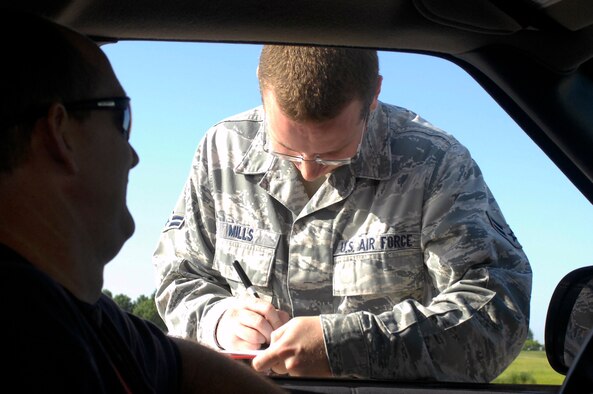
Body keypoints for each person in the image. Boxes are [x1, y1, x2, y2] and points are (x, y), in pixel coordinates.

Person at [153, 45, 532, 382]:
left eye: (333, 153)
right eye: (286, 149)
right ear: (260, 85)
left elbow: (498, 317)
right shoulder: (223, 151)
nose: (308, 169)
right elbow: (179, 278)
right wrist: (219, 321)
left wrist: (344, 346)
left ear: (374, 96)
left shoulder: (435, 165)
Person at [0, 10, 286, 393]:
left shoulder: (89, 315)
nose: (133, 156)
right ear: (60, 133)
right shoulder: (28, 334)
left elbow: (180, 364)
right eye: (121, 118)